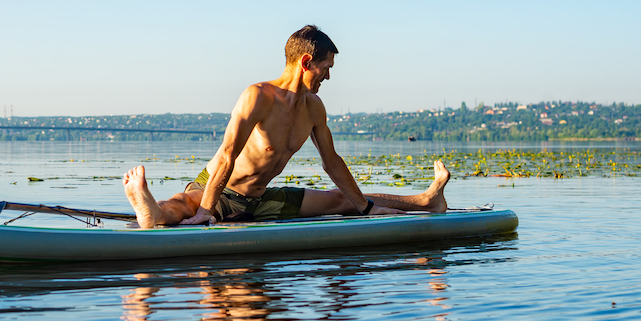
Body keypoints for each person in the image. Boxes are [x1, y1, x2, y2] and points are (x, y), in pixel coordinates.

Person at [122, 24, 451, 228]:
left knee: (341, 200)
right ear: (307, 63)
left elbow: (332, 163)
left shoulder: (314, 109)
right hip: (221, 189)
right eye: (326, 67)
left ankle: (427, 201)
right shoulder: (258, 96)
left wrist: (365, 208)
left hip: (262, 198)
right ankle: (152, 211)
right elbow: (226, 156)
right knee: (183, 205)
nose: (329, 76)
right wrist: (207, 208)